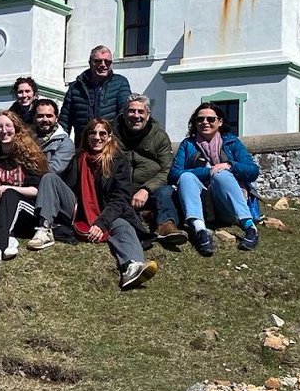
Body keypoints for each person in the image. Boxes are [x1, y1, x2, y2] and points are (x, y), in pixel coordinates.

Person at [26, 118, 159, 290]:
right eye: (92, 133)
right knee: (49, 177)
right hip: (78, 210)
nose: (97, 137)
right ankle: (44, 230)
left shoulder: (119, 161)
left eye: (102, 133)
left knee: (125, 227)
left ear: (110, 137)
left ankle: (131, 267)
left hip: (108, 212)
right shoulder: (78, 157)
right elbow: (67, 186)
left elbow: (120, 199)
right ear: (86, 136)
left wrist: (101, 223)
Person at [161, 104, 260, 255]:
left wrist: (229, 165)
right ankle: (200, 230)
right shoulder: (188, 145)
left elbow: (252, 171)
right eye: (200, 119)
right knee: (186, 176)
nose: (205, 122)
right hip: (202, 204)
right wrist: (208, 171)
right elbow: (174, 174)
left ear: (220, 122)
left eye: (211, 119)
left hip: (227, 205)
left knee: (222, 174)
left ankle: (249, 227)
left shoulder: (231, 142)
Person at [0, 111, 47, 264]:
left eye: (8, 126)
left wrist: (6, 188)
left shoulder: (28, 154)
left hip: (25, 209)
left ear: (16, 128)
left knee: (10, 193)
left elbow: (36, 190)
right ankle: (5, 238)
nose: (4, 131)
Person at [112, 95, 183, 244]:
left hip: (151, 191)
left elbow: (167, 169)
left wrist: (146, 189)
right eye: (131, 111)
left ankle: (165, 225)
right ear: (124, 113)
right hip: (120, 191)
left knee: (166, 192)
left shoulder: (160, 136)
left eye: (140, 112)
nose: (136, 116)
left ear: (148, 114)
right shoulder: (111, 134)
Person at [59, 45, 132, 140]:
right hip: (83, 147)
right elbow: (65, 121)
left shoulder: (120, 83)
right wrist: (62, 146)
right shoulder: (75, 87)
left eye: (107, 62)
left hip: (110, 146)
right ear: (90, 63)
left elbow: (124, 114)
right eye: (98, 61)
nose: (103, 65)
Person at [31, 98, 75, 174]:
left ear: (56, 118)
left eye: (49, 116)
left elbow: (54, 169)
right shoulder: (25, 138)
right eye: (40, 116)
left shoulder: (64, 143)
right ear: (34, 118)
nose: (44, 119)